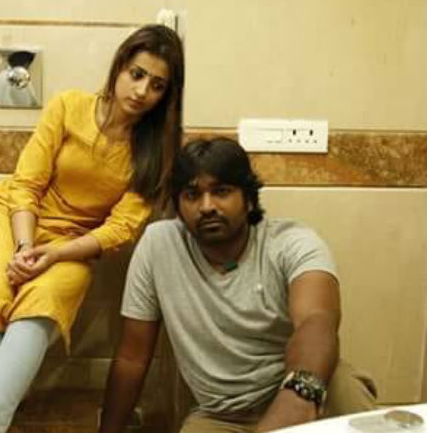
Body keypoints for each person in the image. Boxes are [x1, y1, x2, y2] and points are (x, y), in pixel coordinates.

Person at [0, 24, 185, 433]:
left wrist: (54, 253)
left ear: (167, 95)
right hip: (11, 220)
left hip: (72, 245)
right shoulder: (68, 106)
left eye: (157, 85)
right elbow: (26, 184)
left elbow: (120, 228)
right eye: (137, 74)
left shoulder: (156, 149)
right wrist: (25, 248)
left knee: (41, 308)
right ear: (120, 67)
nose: (142, 91)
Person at [98, 138, 377, 433]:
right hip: (221, 416)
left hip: (304, 387)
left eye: (221, 191)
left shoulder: (292, 243)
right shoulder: (159, 246)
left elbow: (317, 320)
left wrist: (297, 396)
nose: (207, 206)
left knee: (344, 388)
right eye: (192, 195)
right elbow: (132, 358)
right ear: (177, 206)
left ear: (249, 199)